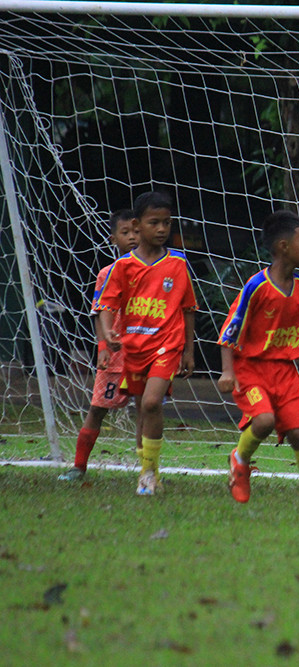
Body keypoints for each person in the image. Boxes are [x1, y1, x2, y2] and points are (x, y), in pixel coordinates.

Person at [217, 210, 299, 511]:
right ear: (283, 247)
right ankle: (240, 461)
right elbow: (229, 332)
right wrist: (228, 372)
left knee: (298, 433)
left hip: (286, 372)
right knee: (264, 420)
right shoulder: (256, 287)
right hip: (251, 369)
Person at [95, 192, 197, 495]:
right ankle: (147, 471)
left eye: (167, 222)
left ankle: (149, 474)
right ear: (138, 225)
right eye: (155, 223)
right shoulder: (123, 267)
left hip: (167, 344)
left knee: (152, 402)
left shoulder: (177, 264)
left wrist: (188, 351)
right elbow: (106, 306)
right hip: (134, 347)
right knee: (143, 410)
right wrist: (108, 334)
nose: (163, 229)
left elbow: (188, 309)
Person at [58, 210, 143, 481]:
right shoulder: (107, 273)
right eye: (125, 233)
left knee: (147, 409)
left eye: (136, 232)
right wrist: (103, 348)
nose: (132, 237)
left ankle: (148, 470)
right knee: (97, 408)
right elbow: (99, 311)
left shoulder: (156, 271)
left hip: (146, 352)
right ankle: (78, 466)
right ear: (113, 239)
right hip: (116, 356)